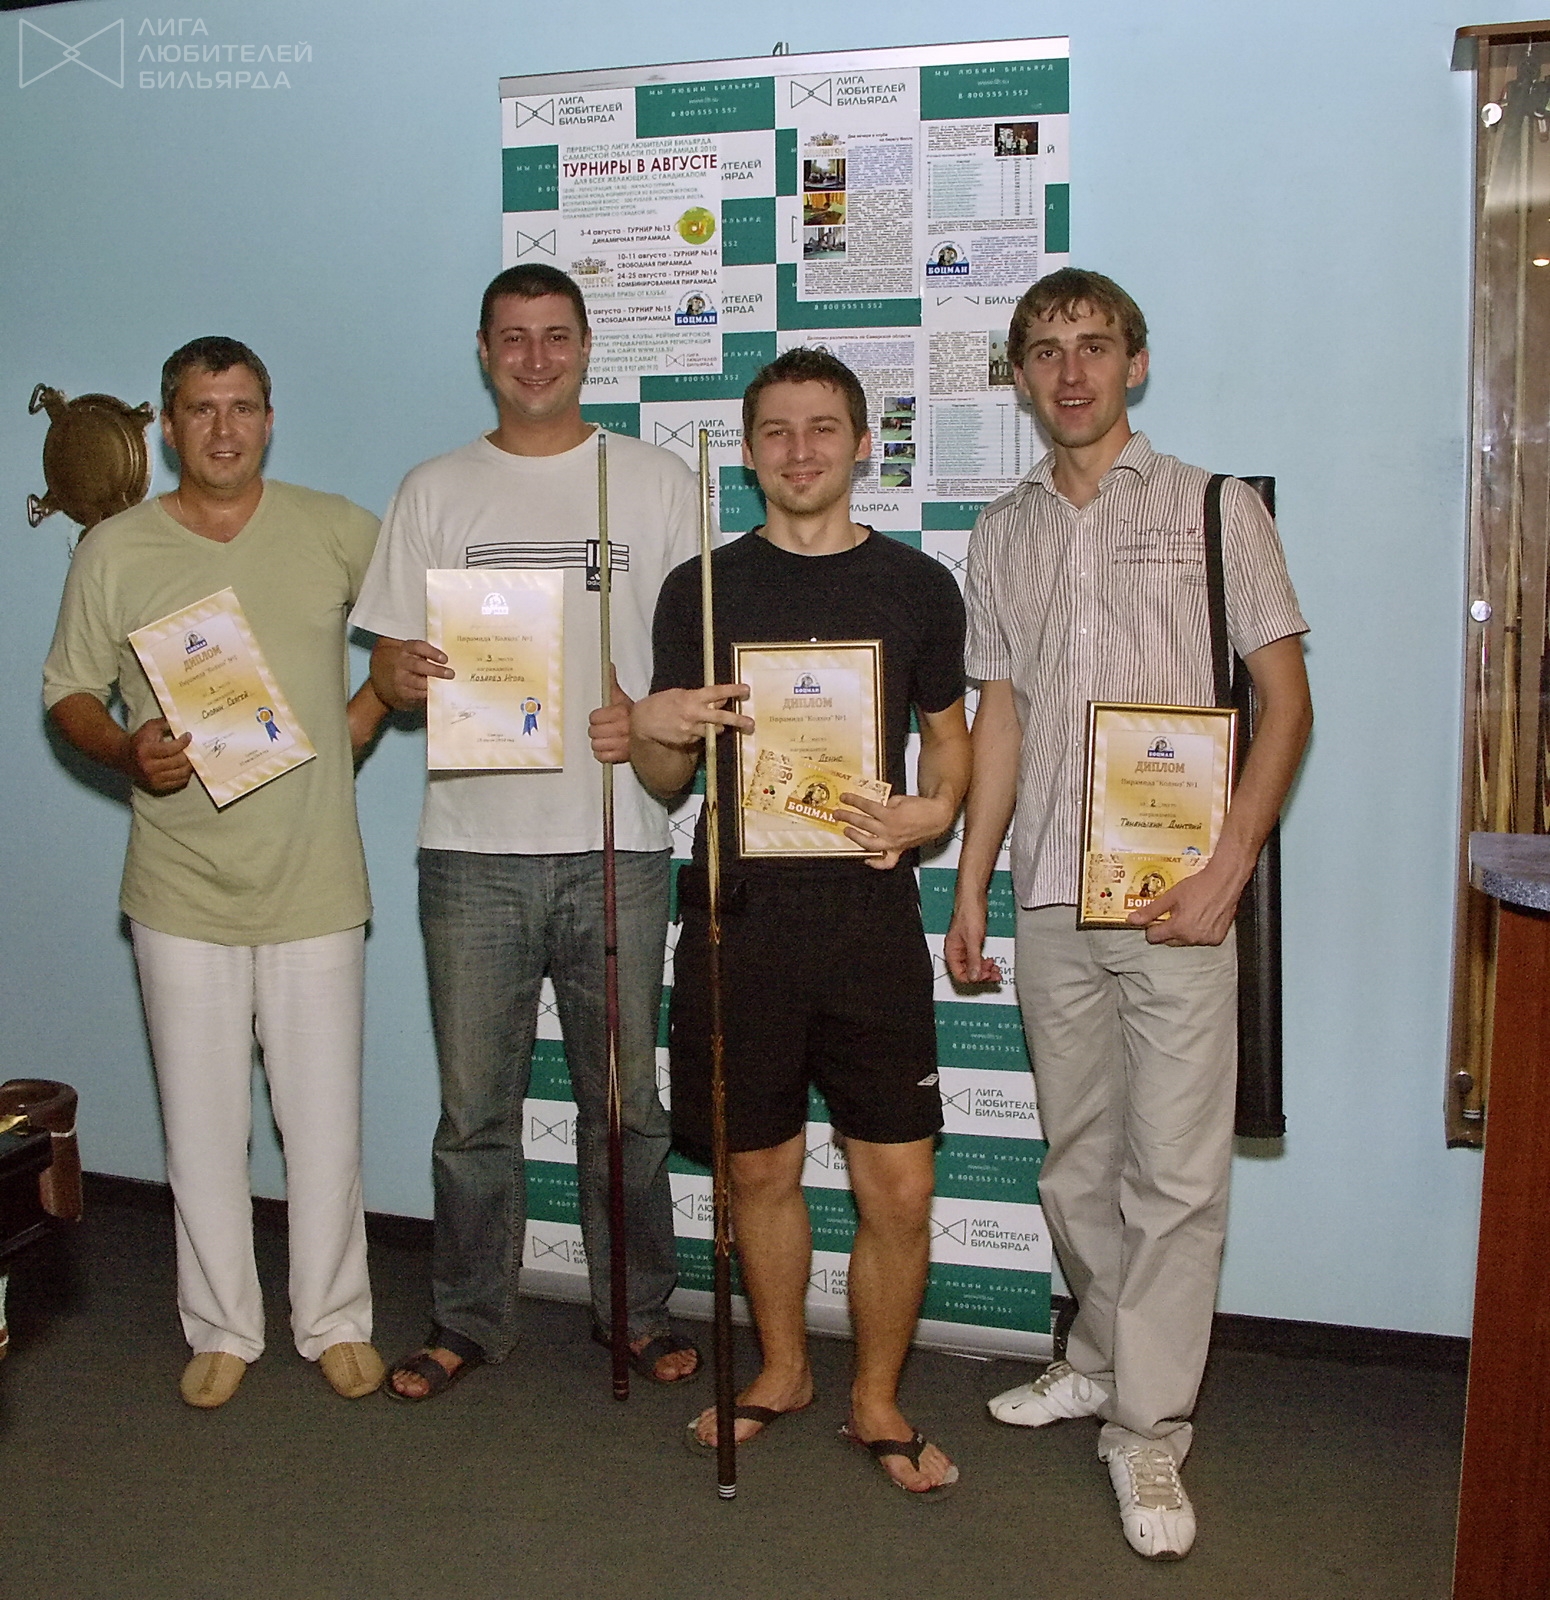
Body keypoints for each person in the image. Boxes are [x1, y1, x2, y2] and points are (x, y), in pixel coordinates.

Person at [945, 268, 1312, 1558]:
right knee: (1076, 1161)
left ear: (1133, 363)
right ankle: (1099, 1355)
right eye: (1044, 350)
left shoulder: (1213, 506)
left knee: (1174, 1175)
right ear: (1018, 376)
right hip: (1051, 889)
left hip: (1176, 903)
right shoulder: (1001, 531)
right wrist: (973, 880)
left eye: (1092, 346)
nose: (1070, 371)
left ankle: (1148, 1428)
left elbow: (1284, 702)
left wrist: (1227, 867)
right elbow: (999, 717)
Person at [352, 264, 701, 1399]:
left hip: (619, 841)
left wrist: (647, 718)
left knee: (626, 1112)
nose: (536, 358)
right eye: (513, 337)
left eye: (556, 336)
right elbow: (388, 664)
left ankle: (635, 1314)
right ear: (484, 350)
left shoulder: (652, 481)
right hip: (469, 850)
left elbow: (692, 667)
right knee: (473, 1117)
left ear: (587, 346)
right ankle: (467, 1319)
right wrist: (400, 675)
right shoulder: (434, 489)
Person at [631, 347, 971, 1496]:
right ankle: (782, 1371)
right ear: (746, 452)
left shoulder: (918, 585)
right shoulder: (700, 589)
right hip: (742, 919)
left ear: (862, 443)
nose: (799, 449)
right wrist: (659, 726)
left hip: (868, 917)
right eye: (774, 430)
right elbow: (665, 778)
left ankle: (875, 1398)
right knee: (760, 1170)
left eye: (822, 427)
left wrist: (934, 811)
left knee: (898, 1187)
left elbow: (949, 740)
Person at [43, 336, 389, 1408]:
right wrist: (124, 751)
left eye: (242, 406)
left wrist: (366, 711)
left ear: (270, 420)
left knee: (323, 1126)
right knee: (201, 1130)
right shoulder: (115, 549)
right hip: (180, 885)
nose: (224, 428)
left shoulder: (336, 527)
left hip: (315, 879)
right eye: (202, 408)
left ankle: (334, 1319)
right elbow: (68, 692)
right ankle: (224, 1327)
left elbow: (421, 634)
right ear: (167, 426)